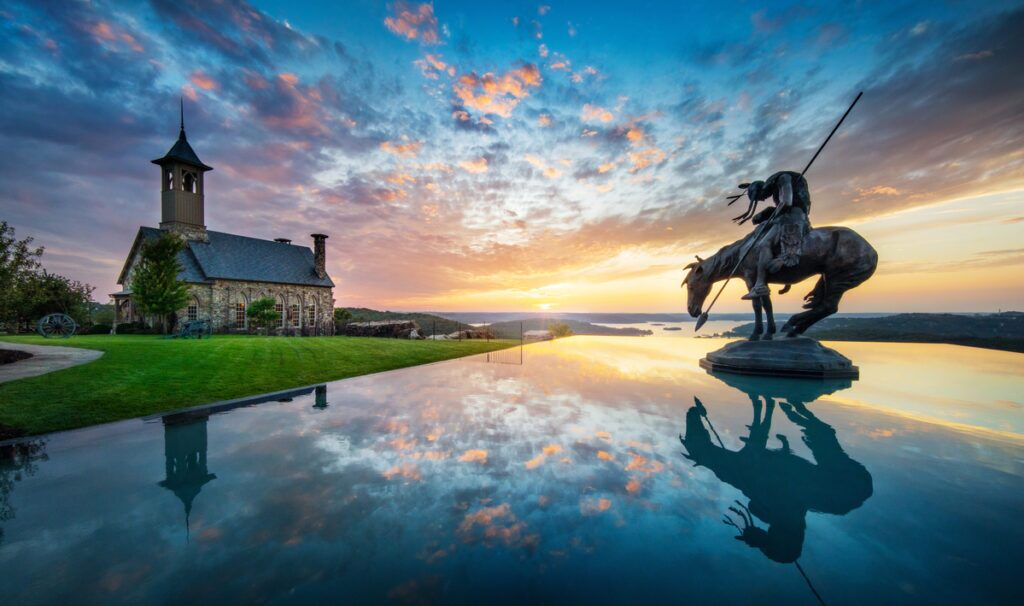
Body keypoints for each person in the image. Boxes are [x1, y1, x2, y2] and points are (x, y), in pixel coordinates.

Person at [735, 171, 812, 300]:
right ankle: (785, 275)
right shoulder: (782, 181)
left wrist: (769, 218)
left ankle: (760, 286)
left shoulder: (783, 178)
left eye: (761, 197)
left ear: (759, 190)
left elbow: (786, 202)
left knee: (764, 244)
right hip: (793, 215)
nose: (764, 199)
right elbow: (782, 205)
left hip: (792, 218)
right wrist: (765, 215)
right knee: (769, 238)